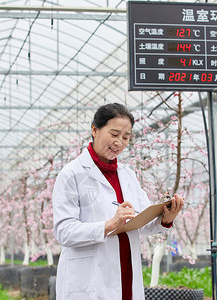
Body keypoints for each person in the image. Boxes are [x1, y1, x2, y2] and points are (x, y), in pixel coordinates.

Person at [52, 103, 184, 300]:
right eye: (114, 134)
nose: (119, 142)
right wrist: (109, 225)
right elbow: (64, 231)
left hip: (126, 274)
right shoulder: (72, 174)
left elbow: (142, 222)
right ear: (95, 130)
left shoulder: (128, 175)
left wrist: (166, 217)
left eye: (126, 137)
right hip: (90, 279)